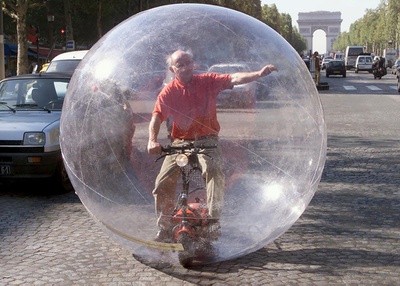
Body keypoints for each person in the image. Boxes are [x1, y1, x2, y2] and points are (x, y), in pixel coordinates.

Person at [147, 49, 277, 242]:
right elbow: (157, 116)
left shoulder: (207, 81)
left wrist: (258, 74)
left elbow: (234, 78)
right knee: (162, 183)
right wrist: (152, 139)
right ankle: (165, 228)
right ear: (172, 69)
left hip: (207, 139)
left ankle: (212, 222)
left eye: (188, 62)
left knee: (213, 171)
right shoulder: (169, 91)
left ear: (194, 64)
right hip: (181, 142)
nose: (185, 67)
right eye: (180, 64)